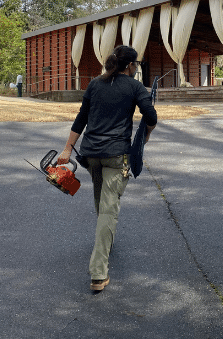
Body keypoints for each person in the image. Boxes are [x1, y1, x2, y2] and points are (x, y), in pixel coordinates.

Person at [57, 45, 157, 291]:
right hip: (116, 156)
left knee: (103, 205)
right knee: (108, 211)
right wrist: (144, 139)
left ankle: (106, 239)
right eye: (137, 65)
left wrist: (67, 149)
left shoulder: (95, 84)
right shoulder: (134, 87)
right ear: (131, 66)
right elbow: (151, 116)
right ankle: (98, 273)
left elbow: (82, 118)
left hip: (92, 156)